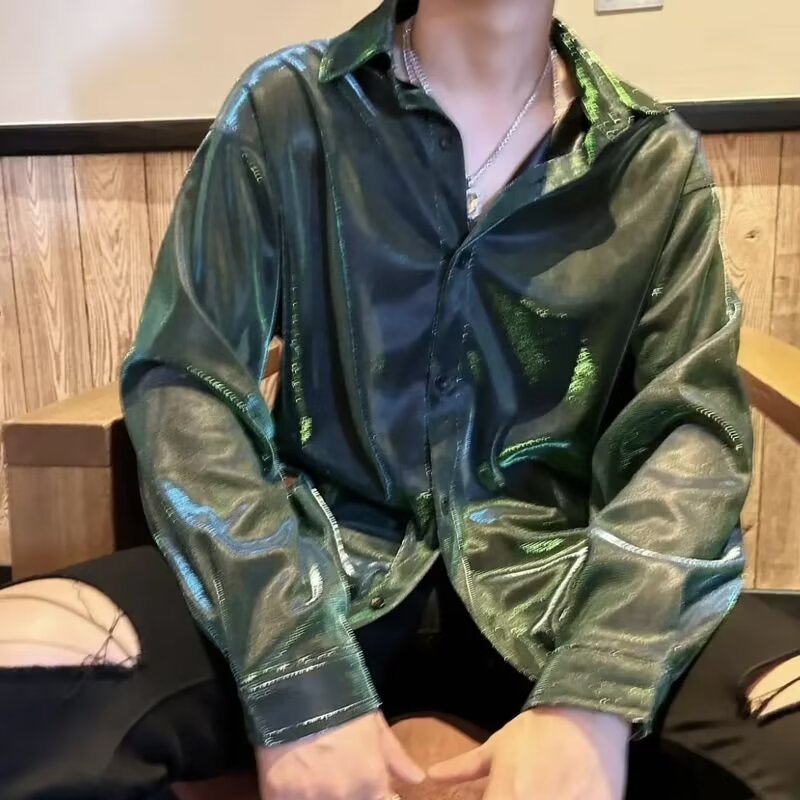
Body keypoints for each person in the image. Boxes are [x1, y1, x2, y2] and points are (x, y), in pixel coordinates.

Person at [1, 0, 799, 798]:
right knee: (27, 684)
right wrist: (294, 669)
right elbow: (188, 382)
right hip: (313, 565)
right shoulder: (288, 109)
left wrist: (600, 682)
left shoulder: (652, 159)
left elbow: (692, 431)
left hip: (568, 580)